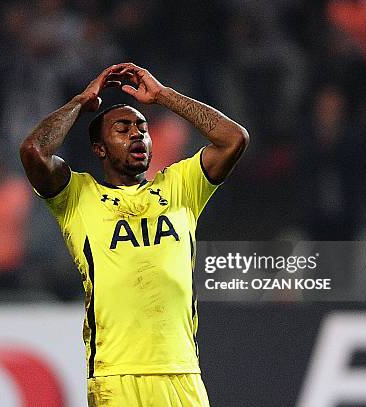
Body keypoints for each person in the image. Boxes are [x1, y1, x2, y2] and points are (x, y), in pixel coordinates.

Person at [19, 63, 249, 406]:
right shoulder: (79, 197)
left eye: (142, 128)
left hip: (182, 373)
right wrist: (82, 102)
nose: (137, 135)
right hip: (117, 377)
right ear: (100, 148)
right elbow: (34, 151)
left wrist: (165, 96)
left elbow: (234, 139)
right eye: (123, 129)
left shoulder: (180, 186)